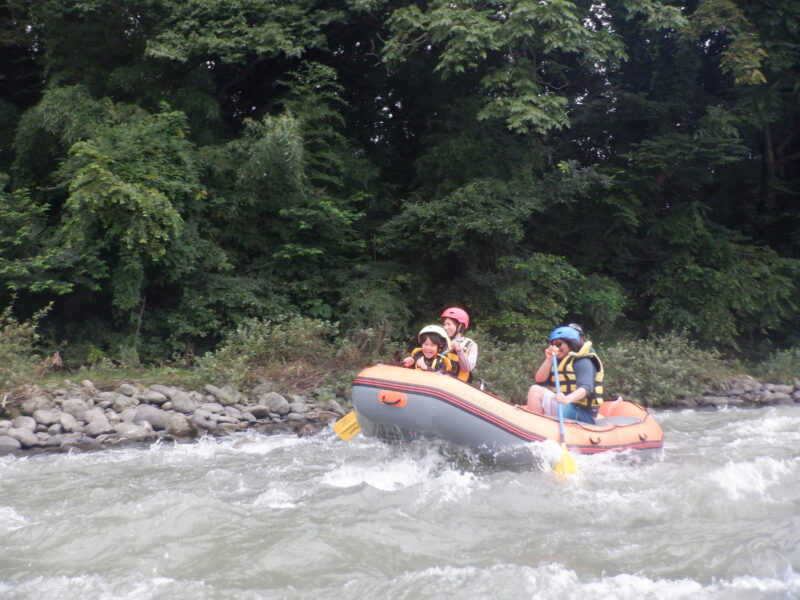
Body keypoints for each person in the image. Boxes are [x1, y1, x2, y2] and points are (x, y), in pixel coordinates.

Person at [526, 325, 604, 424]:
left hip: (581, 413)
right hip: (565, 407)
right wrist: (548, 359)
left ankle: (535, 427)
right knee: (535, 389)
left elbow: (585, 389)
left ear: (571, 343)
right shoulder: (558, 362)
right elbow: (540, 381)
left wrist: (567, 399)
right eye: (553, 345)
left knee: (535, 391)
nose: (556, 348)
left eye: (559, 344)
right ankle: (537, 429)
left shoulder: (584, 361)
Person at [440, 307, 478, 383]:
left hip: (458, 387)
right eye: (444, 324)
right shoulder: (440, 340)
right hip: (440, 382)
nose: (445, 327)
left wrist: (459, 351)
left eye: (449, 324)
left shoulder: (471, 345)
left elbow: (468, 367)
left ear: (460, 326)